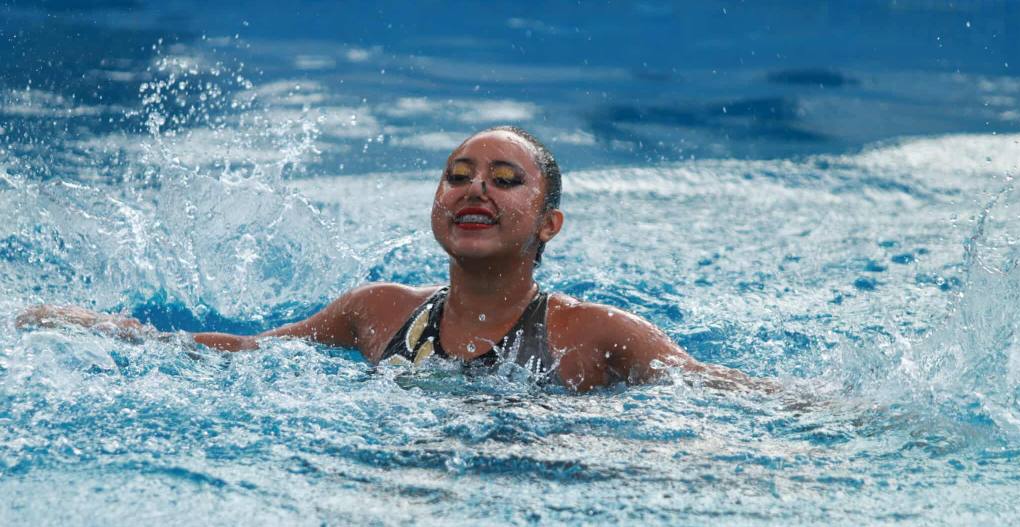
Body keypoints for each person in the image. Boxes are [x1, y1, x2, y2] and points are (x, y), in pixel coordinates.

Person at [17, 126, 762, 392]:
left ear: (549, 224)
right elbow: (249, 354)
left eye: (505, 180)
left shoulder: (594, 334)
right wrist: (114, 332)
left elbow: (723, 394)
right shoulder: (376, 312)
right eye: (457, 175)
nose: (475, 188)